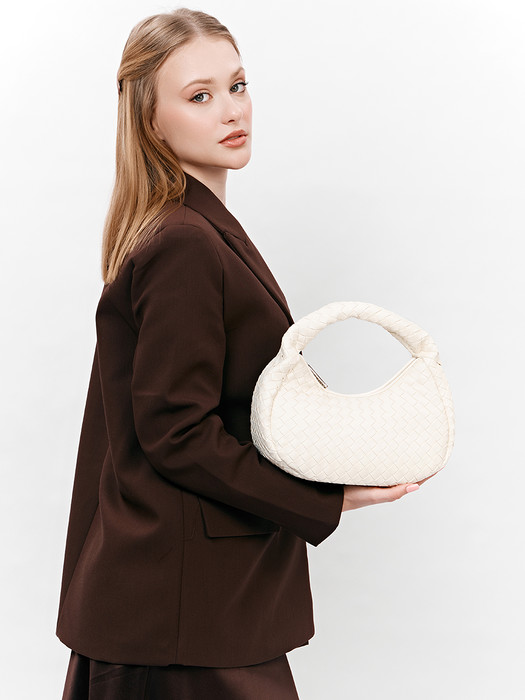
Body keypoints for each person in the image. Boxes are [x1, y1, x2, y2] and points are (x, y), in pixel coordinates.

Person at [56, 8, 426, 699]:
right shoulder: (184, 243)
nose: (231, 110)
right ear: (150, 121)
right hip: (179, 616)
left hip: (185, 609)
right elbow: (176, 433)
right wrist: (324, 498)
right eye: (199, 96)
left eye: (238, 85)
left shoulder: (192, 231)